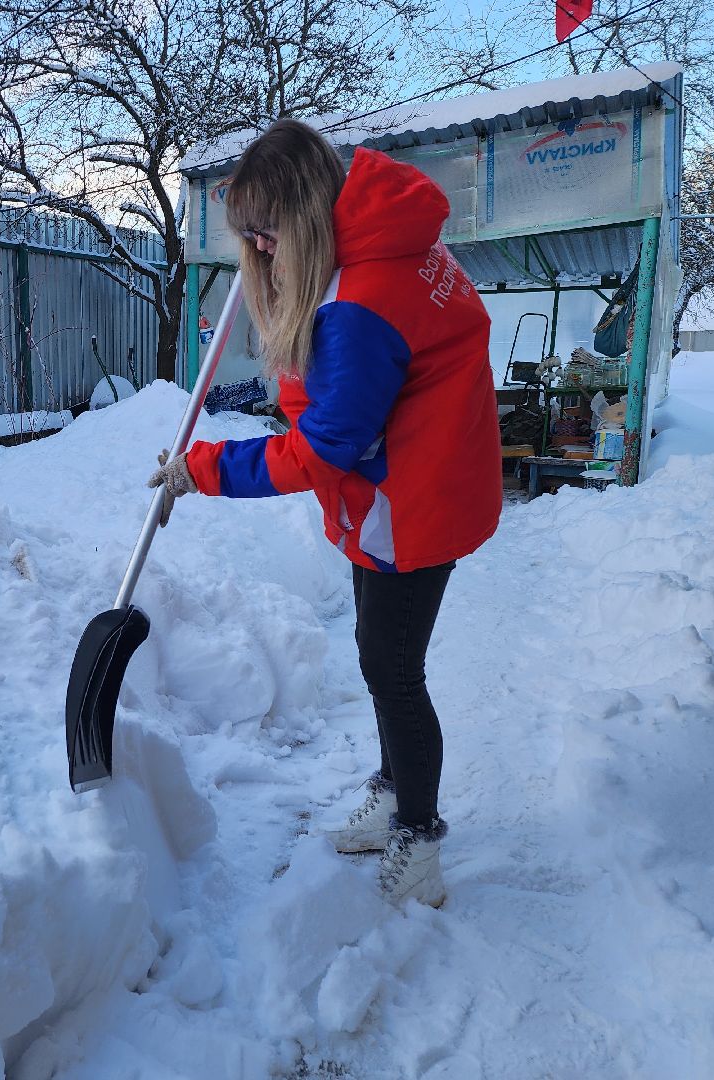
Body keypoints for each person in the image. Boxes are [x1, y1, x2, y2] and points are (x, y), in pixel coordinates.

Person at [147, 119, 501, 908]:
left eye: (267, 234)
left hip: (414, 503)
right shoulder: (384, 237)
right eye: (250, 237)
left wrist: (203, 470)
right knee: (380, 655)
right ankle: (393, 785)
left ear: (306, 218)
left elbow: (321, 451)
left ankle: (419, 834)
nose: (260, 252)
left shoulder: (361, 303)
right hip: (408, 478)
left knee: (392, 670)